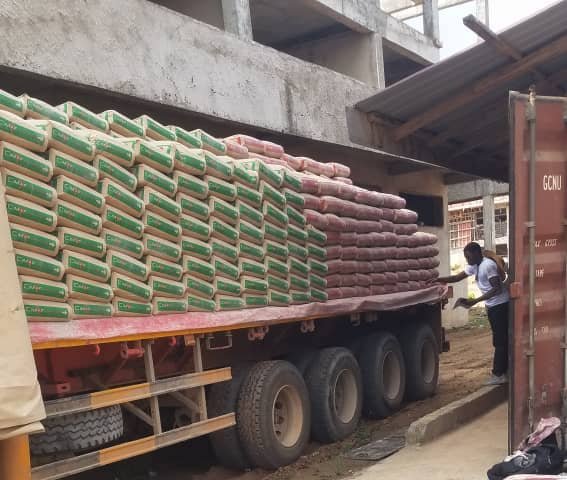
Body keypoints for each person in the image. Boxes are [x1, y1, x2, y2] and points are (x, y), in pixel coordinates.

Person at [437, 242, 510, 385]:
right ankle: (503, 371)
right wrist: (437, 279)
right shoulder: (475, 265)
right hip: (492, 306)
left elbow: (496, 289)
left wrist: (475, 300)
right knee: (500, 340)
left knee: (500, 341)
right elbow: (457, 278)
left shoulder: (487, 266)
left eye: (468, 257)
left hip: (500, 305)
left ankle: (499, 374)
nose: (467, 260)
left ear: (477, 254)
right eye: (466, 257)